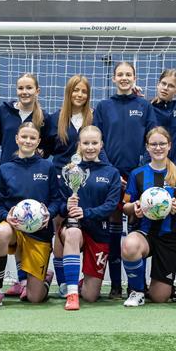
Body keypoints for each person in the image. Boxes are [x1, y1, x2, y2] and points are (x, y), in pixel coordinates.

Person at [93, 61, 157, 298]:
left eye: (128, 74)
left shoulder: (143, 105)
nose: (124, 78)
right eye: (119, 74)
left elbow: (152, 138)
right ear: (113, 79)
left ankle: (136, 285)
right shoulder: (104, 106)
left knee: (136, 229)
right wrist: (110, 171)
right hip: (110, 177)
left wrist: (140, 171)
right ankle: (116, 286)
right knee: (113, 230)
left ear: (134, 77)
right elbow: (96, 141)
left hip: (137, 178)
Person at [0, 122, 62, 307]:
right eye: (24, 137)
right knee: (0, 233)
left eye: (32, 138)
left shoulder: (47, 168)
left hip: (39, 232)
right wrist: (5, 217)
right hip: (14, 228)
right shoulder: (5, 169)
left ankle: (45, 279)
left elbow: (57, 200)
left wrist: (49, 213)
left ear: (38, 141)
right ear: (16, 139)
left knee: (35, 298)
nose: (28, 140)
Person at [120, 127, 176, 307]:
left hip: (169, 237)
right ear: (147, 147)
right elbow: (125, 206)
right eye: (153, 144)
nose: (158, 147)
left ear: (169, 145)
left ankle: (167, 288)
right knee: (130, 244)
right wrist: (135, 207)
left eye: (162, 143)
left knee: (159, 297)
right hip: (145, 233)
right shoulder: (137, 174)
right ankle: (137, 291)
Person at [54, 125, 121, 310]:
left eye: (94, 143)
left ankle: (81, 283)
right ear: (79, 145)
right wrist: (66, 206)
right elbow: (58, 204)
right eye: (86, 143)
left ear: (101, 145)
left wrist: (87, 212)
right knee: (73, 232)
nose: (90, 147)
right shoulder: (70, 171)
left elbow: (111, 205)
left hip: (100, 232)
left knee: (91, 296)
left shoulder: (111, 173)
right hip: (76, 228)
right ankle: (72, 293)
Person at [43, 75, 94, 296]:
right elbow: (44, 149)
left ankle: (85, 276)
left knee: (83, 228)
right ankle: (63, 282)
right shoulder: (55, 119)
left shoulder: (94, 117)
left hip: (87, 180)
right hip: (59, 180)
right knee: (59, 229)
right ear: (68, 92)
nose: (79, 95)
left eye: (83, 91)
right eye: (75, 90)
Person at [0, 73, 47, 165]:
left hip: (32, 171)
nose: (24, 92)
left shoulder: (44, 117)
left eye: (29, 88)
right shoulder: (4, 111)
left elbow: (46, 146)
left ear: (37, 91)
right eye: (20, 88)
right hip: (6, 170)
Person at [150, 69, 176, 165]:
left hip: (175, 165)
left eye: (171, 86)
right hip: (153, 164)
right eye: (163, 83)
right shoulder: (147, 108)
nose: (165, 88)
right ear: (158, 84)